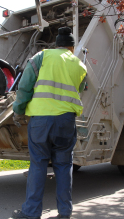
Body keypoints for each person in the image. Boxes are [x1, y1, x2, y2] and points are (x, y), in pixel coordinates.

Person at [11, 27, 87, 219]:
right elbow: (83, 87)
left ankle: (31, 213)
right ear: (71, 47)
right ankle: (64, 212)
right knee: (64, 166)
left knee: (38, 165)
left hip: (41, 121)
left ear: (56, 44)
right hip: (66, 122)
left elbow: (25, 86)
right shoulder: (79, 64)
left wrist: (18, 110)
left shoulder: (41, 57)